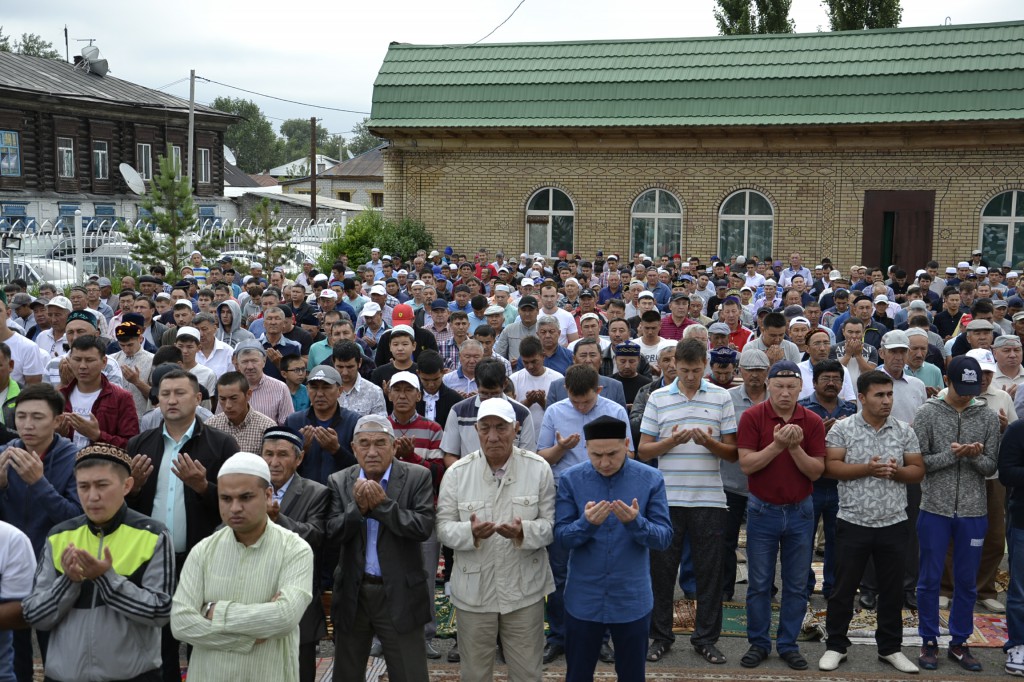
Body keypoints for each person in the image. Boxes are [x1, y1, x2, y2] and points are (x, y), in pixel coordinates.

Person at [23, 444, 174, 682]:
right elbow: (35, 615)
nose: (92, 496)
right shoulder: (59, 535)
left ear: (127, 486)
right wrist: (68, 583)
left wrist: (106, 578)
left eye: (102, 485)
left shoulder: (153, 534)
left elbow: (160, 612)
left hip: (134, 676)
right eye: (84, 486)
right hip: (64, 676)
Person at [125, 369, 238, 681]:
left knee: (204, 642)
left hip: (203, 560)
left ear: (198, 398)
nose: (171, 400)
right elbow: (123, 510)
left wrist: (203, 487)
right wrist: (132, 490)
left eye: (180, 393)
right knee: (159, 647)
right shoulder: (139, 444)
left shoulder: (221, 445)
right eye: (165, 394)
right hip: (151, 561)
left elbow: (235, 507)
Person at [436, 398, 556, 682]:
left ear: (516, 429)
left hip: (524, 589)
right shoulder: (457, 473)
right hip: (474, 591)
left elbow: (549, 527)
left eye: (501, 428)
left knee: (527, 672)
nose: (492, 437)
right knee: (475, 673)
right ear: (476, 430)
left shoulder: (538, 468)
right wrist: (470, 533)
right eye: (485, 428)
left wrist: (523, 531)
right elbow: (443, 528)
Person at [171, 452, 314, 682]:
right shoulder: (204, 551)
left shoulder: (295, 549)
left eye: (245, 497)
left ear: (268, 495)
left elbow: (285, 617)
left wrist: (215, 612)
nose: (235, 508)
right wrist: (245, 639)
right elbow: (181, 624)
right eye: (226, 499)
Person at [638, 339, 738, 665]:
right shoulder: (658, 397)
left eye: (697, 370)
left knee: (710, 574)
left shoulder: (721, 397)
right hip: (667, 499)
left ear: (705, 365)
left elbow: (732, 452)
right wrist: (671, 442)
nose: (691, 376)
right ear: (673, 365)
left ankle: (706, 639)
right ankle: (661, 637)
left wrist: (709, 442)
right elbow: (644, 450)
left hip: (709, 499)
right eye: (685, 370)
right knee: (662, 573)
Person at [817, 371, 925, 674]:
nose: (887, 400)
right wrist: (868, 468)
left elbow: (917, 470)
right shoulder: (843, 429)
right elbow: (831, 467)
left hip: (893, 522)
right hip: (853, 521)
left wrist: (896, 472)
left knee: (892, 591)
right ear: (862, 398)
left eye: (889, 394)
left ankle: (890, 648)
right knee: (843, 588)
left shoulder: (904, 430)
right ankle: (836, 646)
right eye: (880, 395)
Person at [554, 415, 672, 682]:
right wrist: (585, 525)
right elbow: (561, 538)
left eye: (612, 454)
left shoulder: (651, 479)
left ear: (627, 444)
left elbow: (664, 538)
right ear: (586, 449)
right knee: (578, 675)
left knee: (632, 675)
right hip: (584, 598)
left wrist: (635, 523)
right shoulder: (572, 479)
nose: (604, 462)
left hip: (631, 597)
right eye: (596, 455)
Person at [326, 414, 434, 682]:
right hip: (354, 590)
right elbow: (332, 532)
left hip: (400, 590)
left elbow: (422, 527)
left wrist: (383, 507)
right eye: (364, 443)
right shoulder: (339, 481)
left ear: (395, 446)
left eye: (380, 443)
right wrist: (358, 510)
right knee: (347, 673)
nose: (371, 451)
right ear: (353, 448)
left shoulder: (417, 477)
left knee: (410, 673)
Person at [537, 364, 634, 662]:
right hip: (565, 494)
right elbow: (541, 458)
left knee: (600, 569)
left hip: (604, 493)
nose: (580, 407)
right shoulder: (555, 412)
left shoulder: (615, 411)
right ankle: (558, 635)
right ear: (566, 391)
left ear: (599, 391)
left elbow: (628, 455)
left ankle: (600, 638)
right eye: (575, 401)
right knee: (560, 568)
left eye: (587, 402)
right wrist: (562, 448)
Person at [736, 360, 826, 671]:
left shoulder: (811, 420)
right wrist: (777, 445)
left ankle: (788, 644)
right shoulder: (752, 416)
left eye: (791, 387)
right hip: (762, 511)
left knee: (797, 583)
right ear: (768, 386)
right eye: (779, 386)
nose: (785, 393)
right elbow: (747, 465)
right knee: (760, 582)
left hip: (800, 511)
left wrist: (795, 448)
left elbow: (816, 472)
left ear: (801, 388)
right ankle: (759, 643)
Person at [914, 355, 1000, 673]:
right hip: (934, 507)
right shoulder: (927, 413)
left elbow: (991, 466)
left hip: (973, 510)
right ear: (947, 381)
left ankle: (959, 642)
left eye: (972, 389)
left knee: (967, 580)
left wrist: (975, 456)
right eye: (961, 387)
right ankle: (928, 640)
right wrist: (952, 455)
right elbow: (920, 461)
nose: (966, 394)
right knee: (929, 579)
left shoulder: (988, 417)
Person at [0, 383, 82, 681]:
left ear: (58, 420)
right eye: (21, 417)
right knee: (13, 657)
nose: (27, 425)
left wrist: (39, 483)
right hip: (10, 572)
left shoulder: (74, 458)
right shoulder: (5, 454)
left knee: (58, 659)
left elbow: (76, 518)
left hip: (56, 571)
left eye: (37, 417)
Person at [260, 426, 330, 682]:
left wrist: (278, 519)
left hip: (297, 599)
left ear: (299, 458)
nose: (274, 462)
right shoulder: (248, 488)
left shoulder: (316, 492)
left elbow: (315, 536)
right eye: (268, 454)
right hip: (254, 597)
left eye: (282, 455)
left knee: (298, 672)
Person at [59, 335, 139, 450]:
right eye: (77, 359)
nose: (82, 366)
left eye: (89, 360)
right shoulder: (60, 397)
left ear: (104, 362)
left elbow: (131, 445)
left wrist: (97, 435)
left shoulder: (121, 398)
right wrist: (57, 434)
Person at [284, 366, 360, 487]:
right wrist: (301, 451)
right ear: (307, 389)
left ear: (340, 391)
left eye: (326, 387)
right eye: (314, 387)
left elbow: (362, 468)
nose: (319, 394)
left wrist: (337, 450)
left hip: (342, 495)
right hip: (304, 496)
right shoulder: (294, 421)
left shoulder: (354, 422)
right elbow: (284, 469)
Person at [206, 372, 278, 454]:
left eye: (234, 398)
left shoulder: (267, 427)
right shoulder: (210, 426)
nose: (228, 405)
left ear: (248, 394)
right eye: (222, 399)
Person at [229, 341, 294, 425]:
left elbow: (287, 425)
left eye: (254, 361)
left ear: (264, 361)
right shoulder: (229, 388)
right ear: (237, 364)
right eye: (244, 362)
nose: (250, 367)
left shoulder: (280, 388)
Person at [509, 335, 564, 426]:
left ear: (543, 356)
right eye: (525, 362)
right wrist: (528, 402)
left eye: (534, 361)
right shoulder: (514, 379)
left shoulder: (557, 379)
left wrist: (543, 402)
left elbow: (562, 413)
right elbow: (510, 413)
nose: (530, 367)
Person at [333, 340, 386, 416]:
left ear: (359, 363)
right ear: (333, 362)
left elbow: (380, 425)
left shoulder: (374, 392)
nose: (345, 372)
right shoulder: (325, 390)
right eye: (340, 367)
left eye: (350, 367)